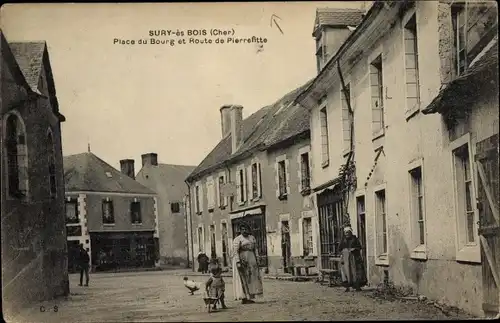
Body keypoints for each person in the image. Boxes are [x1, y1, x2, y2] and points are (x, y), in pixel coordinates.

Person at [232, 222, 264, 304]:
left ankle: (251, 296)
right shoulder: (238, 239)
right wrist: (238, 261)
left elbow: (255, 249)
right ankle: (245, 296)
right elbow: (235, 251)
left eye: (246, 229)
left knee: (252, 278)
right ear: (240, 230)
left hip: (252, 259)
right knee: (244, 278)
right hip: (243, 260)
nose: (244, 231)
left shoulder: (252, 238)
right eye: (242, 229)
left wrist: (257, 258)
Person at [339, 226, 367, 292]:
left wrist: (354, 249)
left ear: (351, 232)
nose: (347, 234)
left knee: (355, 272)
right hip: (346, 259)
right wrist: (344, 252)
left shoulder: (355, 239)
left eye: (348, 232)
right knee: (347, 272)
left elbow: (359, 247)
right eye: (346, 233)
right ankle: (347, 287)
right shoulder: (343, 240)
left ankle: (357, 286)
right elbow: (339, 249)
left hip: (354, 259)